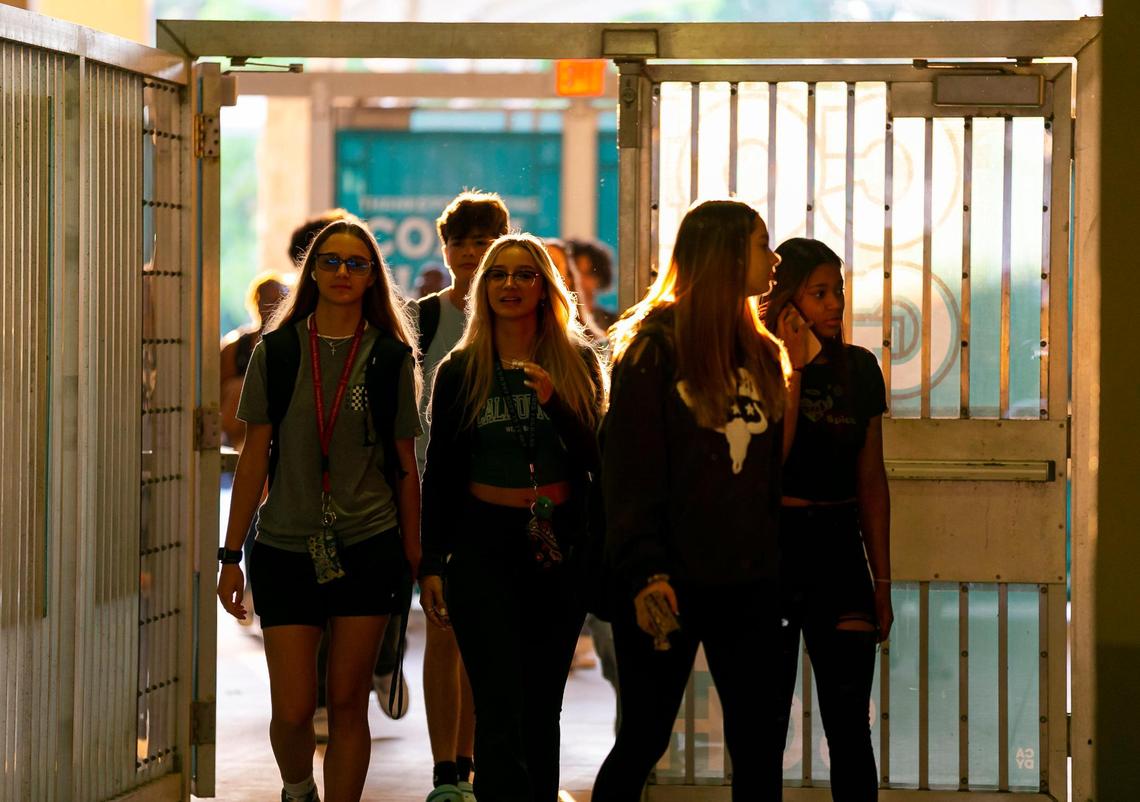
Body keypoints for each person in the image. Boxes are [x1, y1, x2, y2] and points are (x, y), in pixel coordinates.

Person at [217, 215, 422, 802]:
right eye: (329, 261)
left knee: (349, 701)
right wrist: (231, 556)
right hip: (284, 545)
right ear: (312, 272)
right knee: (291, 710)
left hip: (368, 543)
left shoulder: (389, 356)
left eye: (357, 263)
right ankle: (298, 786)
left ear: (372, 278)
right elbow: (254, 459)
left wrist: (415, 555)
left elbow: (405, 466)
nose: (342, 272)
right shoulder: (276, 353)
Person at [591, 199, 789, 802]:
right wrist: (646, 570)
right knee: (644, 738)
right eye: (761, 244)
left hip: (751, 580)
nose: (774, 259)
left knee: (759, 750)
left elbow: (770, 474)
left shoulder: (761, 347)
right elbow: (629, 475)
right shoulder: (654, 348)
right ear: (726, 254)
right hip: (667, 579)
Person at [419, 233, 605, 802]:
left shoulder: (575, 361)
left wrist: (554, 401)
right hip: (483, 547)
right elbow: (441, 472)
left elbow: (597, 460)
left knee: (541, 708)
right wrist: (431, 563)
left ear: (546, 288)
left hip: (556, 544)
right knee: (498, 707)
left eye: (525, 275)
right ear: (482, 288)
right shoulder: (459, 369)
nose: (510, 285)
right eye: (498, 275)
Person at [762, 237, 893, 802]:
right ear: (787, 300)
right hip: (773, 551)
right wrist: (791, 373)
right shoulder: (758, 366)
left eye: (837, 290)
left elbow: (871, 480)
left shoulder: (859, 368)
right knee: (762, 730)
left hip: (839, 554)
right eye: (819, 293)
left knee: (849, 725)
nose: (835, 304)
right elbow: (771, 464)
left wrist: (882, 582)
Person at [411, 190, 510, 802]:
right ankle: (446, 769)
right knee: (442, 628)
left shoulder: (522, 312)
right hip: (433, 492)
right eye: (461, 242)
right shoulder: (422, 319)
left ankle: (473, 760)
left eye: (483, 241)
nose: (471, 253)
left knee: (487, 635)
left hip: (500, 498)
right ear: (444, 249)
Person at [221, 271, 290, 449]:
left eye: (276, 301)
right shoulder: (236, 346)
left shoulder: (293, 343)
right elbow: (220, 391)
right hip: (239, 433)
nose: (270, 307)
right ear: (256, 303)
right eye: (265, 299)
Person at [566, 237, 617, 330]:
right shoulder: (557, 320)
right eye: (574, 273)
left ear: (600, 278)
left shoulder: (614, 323)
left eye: (588, 274)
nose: (580, 280)